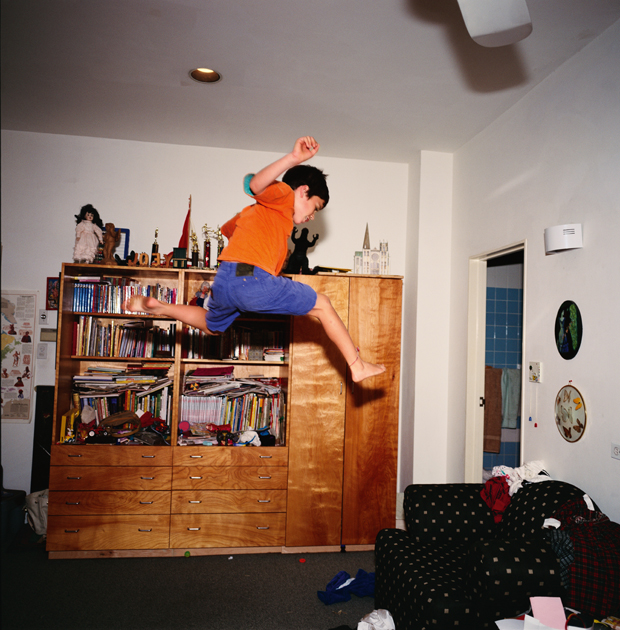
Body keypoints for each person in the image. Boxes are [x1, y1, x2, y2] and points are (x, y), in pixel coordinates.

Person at [124, 137, 385, 382]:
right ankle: (357, 365)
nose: (312, 216)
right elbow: (255, 184)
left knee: (212, 325)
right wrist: (293, 157)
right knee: (323, 305)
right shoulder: (283, 195)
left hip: (226, 279)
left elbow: (229, 230)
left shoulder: (255, 212)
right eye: (315, 207)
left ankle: (161, 307)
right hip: (251, 279)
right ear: (303, 191)